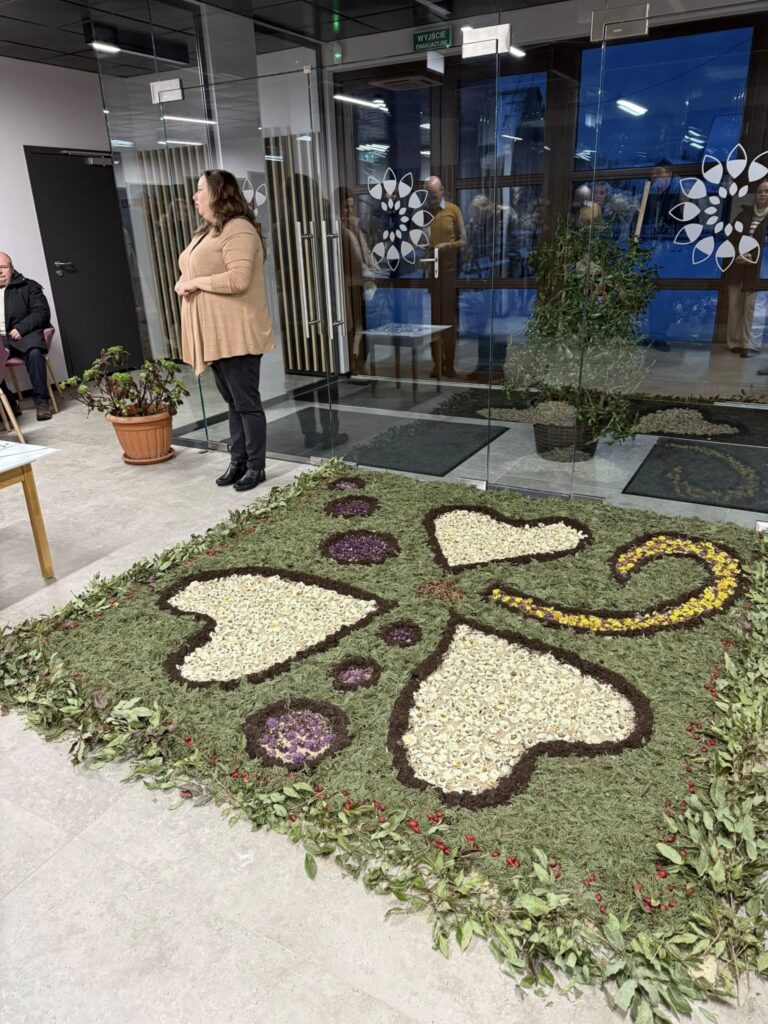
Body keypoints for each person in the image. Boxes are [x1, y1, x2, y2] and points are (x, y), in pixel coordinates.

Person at [175, 169, 275, 491]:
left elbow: (238, 279)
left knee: (246, 403)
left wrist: (195, 283)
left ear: (218, 193)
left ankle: (256, 467)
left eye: (200, 189)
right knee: (233, 403)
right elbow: (192, 268)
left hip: (237, 334)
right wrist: (184, 281)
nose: (195, 196)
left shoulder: (239, 228)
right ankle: (238, 461)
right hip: (215, 335)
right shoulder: (208, 231)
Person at [0, 253, 53, 421]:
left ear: (11, 269)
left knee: (35, 354)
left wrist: (21, 328)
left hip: (23, 336)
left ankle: (42, 402)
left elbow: (42, 312)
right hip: (0, 341)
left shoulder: (29, 286)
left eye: (3, 267)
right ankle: (10, 403)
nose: (0, 271)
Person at [424, 176, 466, 378]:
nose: (431, 199)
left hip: (449, 273)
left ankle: (449, 363)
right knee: (434, 322)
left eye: (433, 194)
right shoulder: (422, 214)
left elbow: (464, 239)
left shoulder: (453, 210)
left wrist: (448, 245)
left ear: (442, 191)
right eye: (428, 195)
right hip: (431, 273)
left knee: (449, 321)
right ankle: (437, 364)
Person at [723, 179, 768, 360]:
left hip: (760, 270)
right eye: (760, 191)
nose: (763, 194)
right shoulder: (744, 214)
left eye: (767, 191)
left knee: (753, 308)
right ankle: (734, 343)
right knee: (735, 306)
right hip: (738, 266)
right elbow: (731, 239)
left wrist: (752, 255)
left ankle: (749, 345)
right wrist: (738, 253)